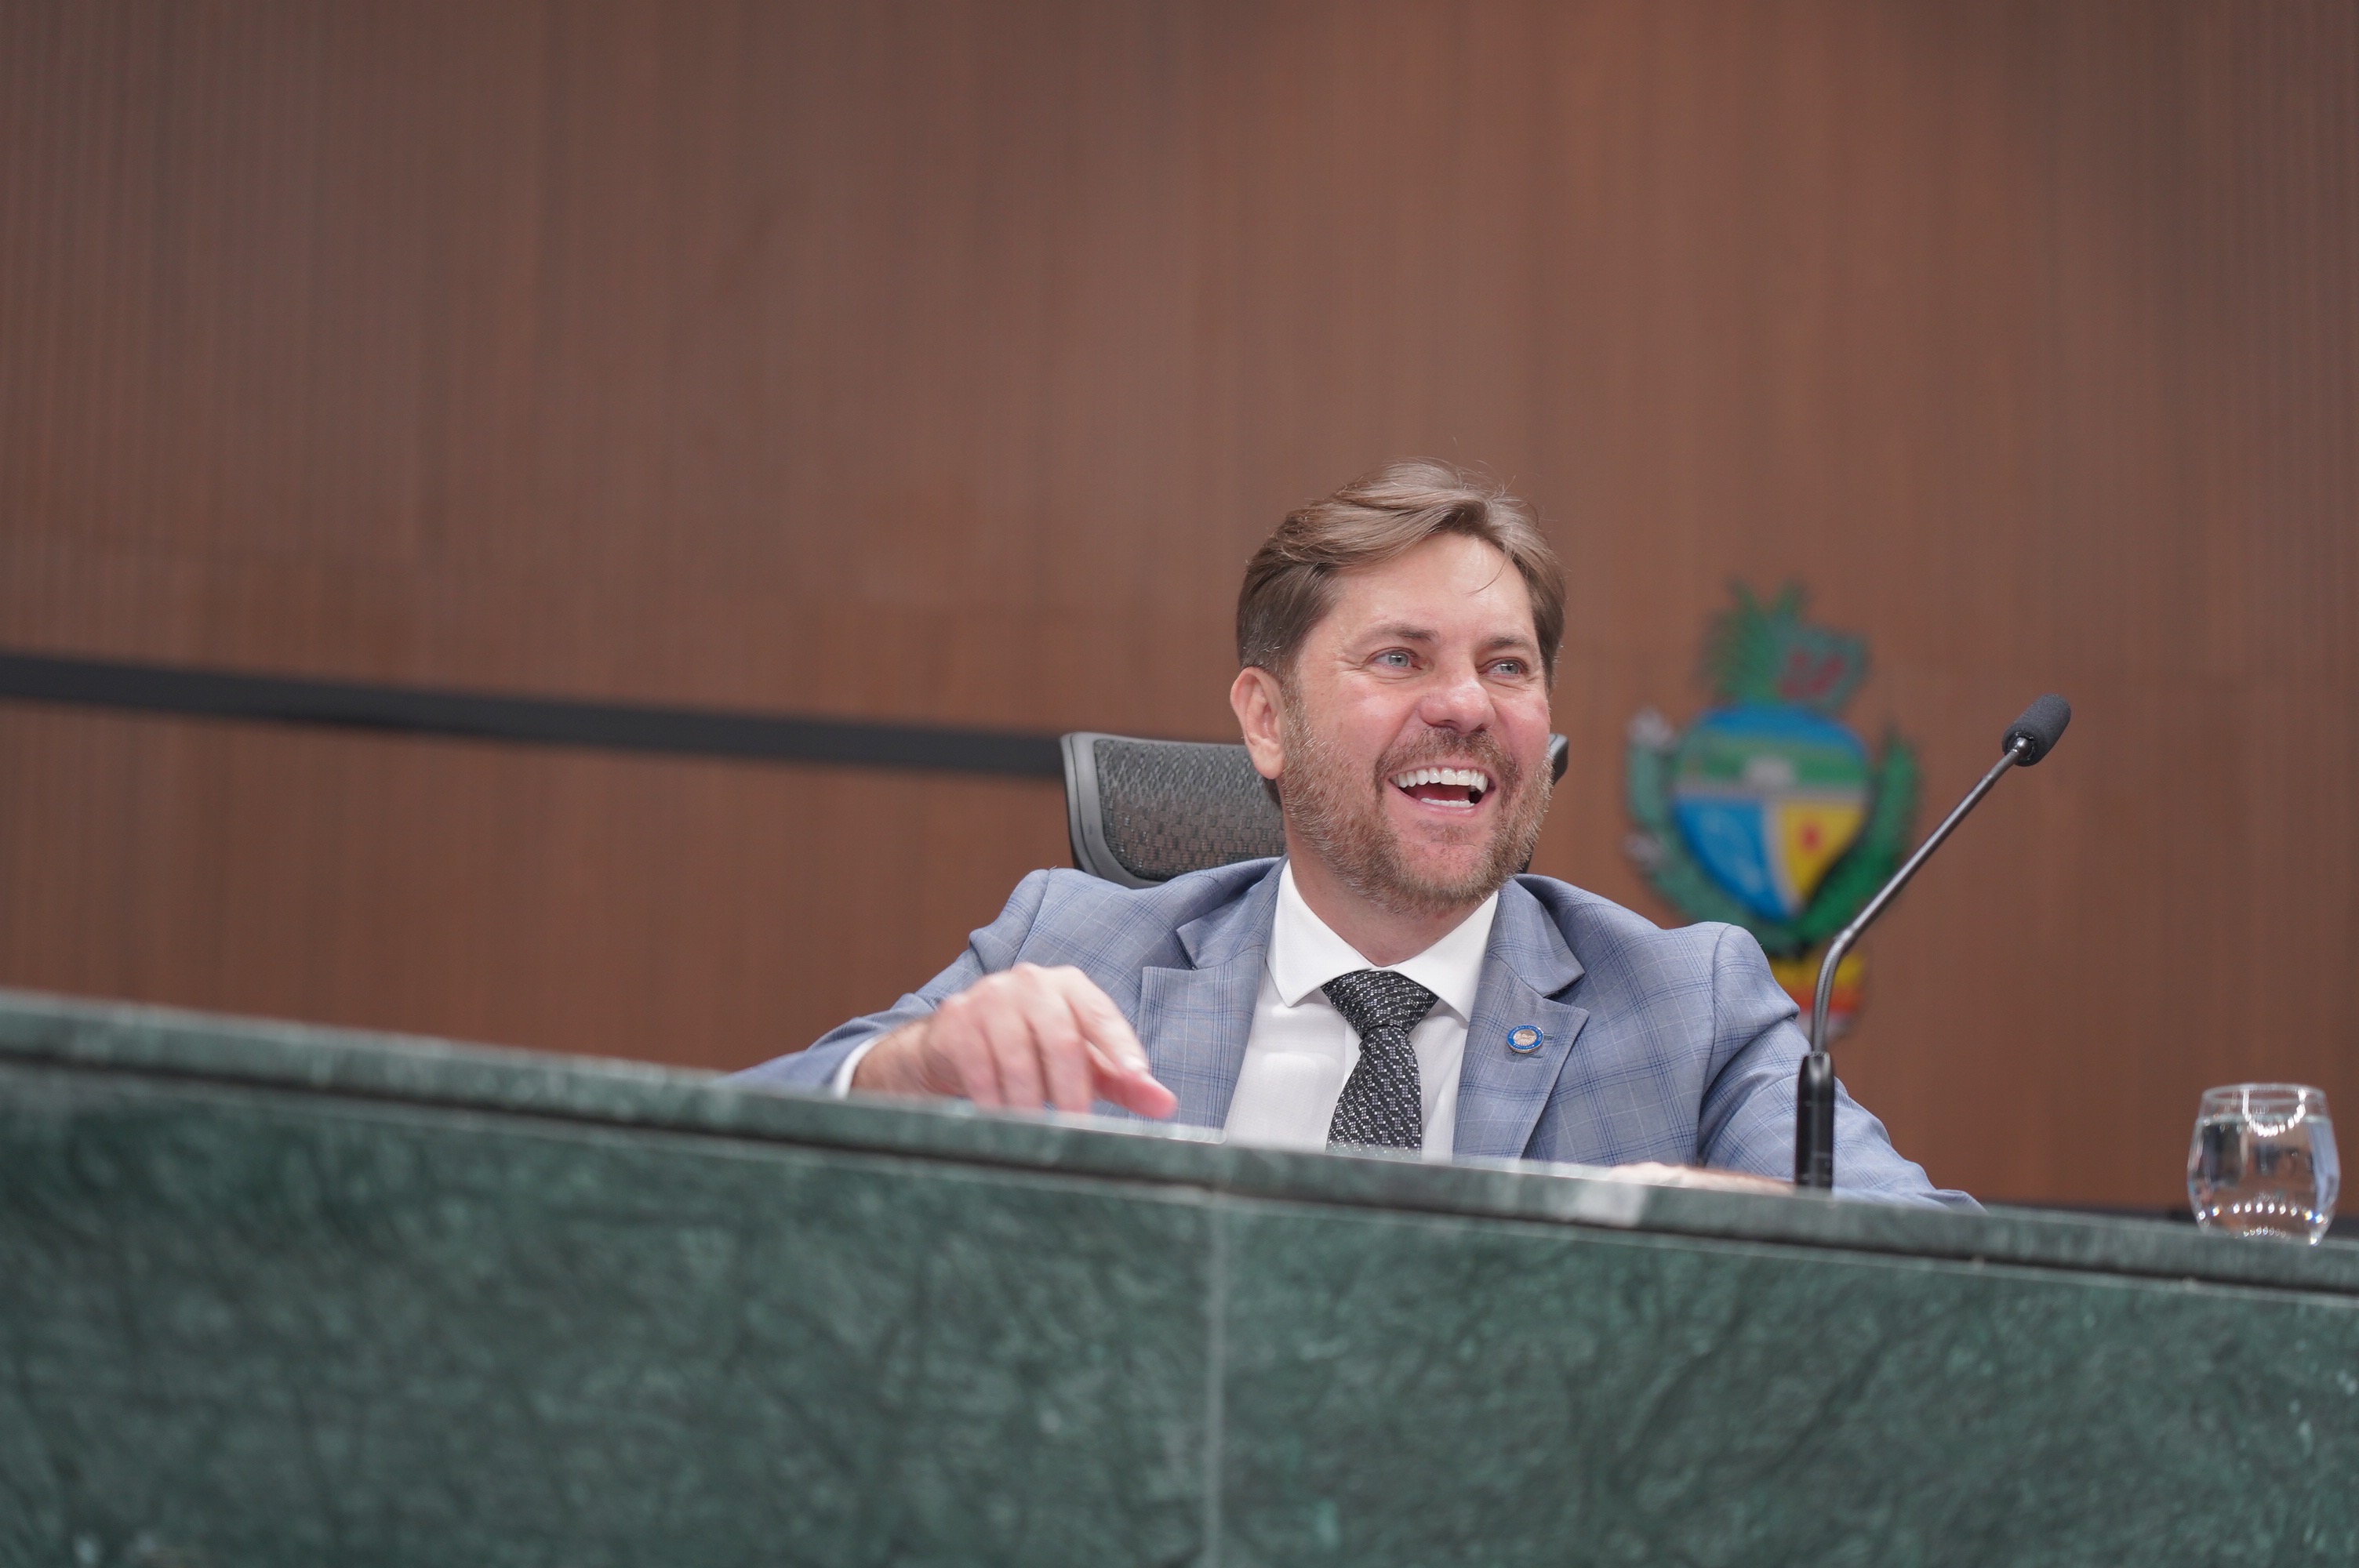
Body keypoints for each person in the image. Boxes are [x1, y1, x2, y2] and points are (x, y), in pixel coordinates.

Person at [735, 461, 1972, 1208]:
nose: (1467, 705)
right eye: (1400, 658)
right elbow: (722, 1151)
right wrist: (906, 1072)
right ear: (1265, 721)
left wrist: (1725, 1222)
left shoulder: (1687, 1008)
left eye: (1507, 666)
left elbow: (1940, 1260)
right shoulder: (1074, 946)